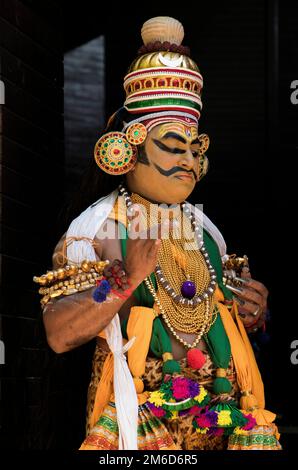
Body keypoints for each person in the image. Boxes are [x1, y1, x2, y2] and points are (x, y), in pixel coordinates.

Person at [36, 16, 281, 450]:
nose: (188, 159)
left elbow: (225, 311)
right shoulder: (100, 228)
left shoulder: (206, 231)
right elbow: (59, 333)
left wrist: (254, 313)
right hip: (143, 424)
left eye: (195, 147)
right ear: (127, 149)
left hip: (223, 421)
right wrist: (124, 281)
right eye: (173, 146)